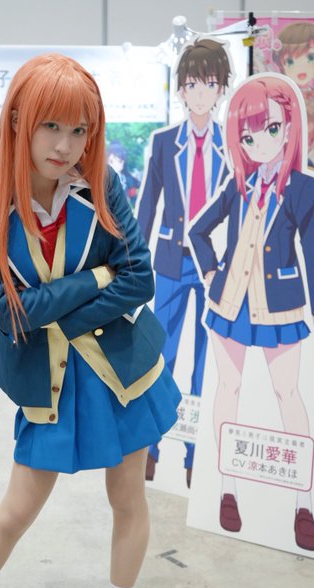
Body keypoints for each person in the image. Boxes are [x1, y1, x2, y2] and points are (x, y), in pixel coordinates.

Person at [0, 53, 181, 588]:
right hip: (47, 378)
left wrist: (54, 307)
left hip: (120, 369)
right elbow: (12, 316)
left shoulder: (101, 184)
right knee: (17, 508)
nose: (65, 147)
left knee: (127, 497)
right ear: (19, 119)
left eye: (78, 130)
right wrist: (96, 278)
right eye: (51, 127)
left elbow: (141, 278)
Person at [189, 75, 314, 551]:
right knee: (229, 389)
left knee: (288, 393)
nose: (259, 142)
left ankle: (304, 502)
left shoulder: (302, 189)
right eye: (247, 135)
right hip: (229, 304)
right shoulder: (238, 185)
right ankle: (228, 491)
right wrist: (211, 273)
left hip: (279, 306)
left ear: (289, 128)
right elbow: (198, 231)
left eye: (271, 129)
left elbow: (313, 253)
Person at [136, 38, 231, 485]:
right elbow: (147, 207)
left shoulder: (233, 145)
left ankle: (195, 458)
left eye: (209, 84)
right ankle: (151, 448)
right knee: (163, 354)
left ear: (221, 89)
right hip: (171, 259)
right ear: (180, 89)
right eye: (192, 84)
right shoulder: (163, 143)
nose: (200, 93)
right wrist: (133, 260)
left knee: (206, 362)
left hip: (215, 263)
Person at [106, 140, 140, 209]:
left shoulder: (129, 181)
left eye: (118, 161)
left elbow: (133, 200)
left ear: (123, 162)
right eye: (110, 161)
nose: (110, 164)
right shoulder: (101, 179)